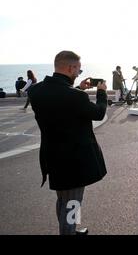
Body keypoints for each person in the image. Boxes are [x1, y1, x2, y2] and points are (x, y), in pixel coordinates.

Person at [28, 50, 108, 235]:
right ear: (71, 67)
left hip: (53, 156)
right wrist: (102, 92)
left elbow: (60, 101)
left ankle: (71, 230)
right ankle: (69, 233)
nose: (78, 73)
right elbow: (99, 113)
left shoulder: (36, 91)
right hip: (75, 160)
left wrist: (78, 88)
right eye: (78, 70)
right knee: (73, 202)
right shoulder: (75, 97)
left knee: (63, 200)